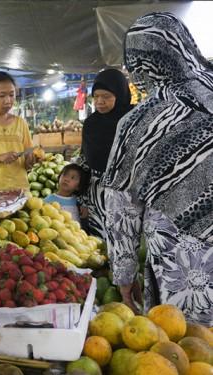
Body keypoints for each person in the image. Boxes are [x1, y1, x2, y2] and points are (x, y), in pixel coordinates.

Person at [103, 12, 213, 325]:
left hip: (183, 263)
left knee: (191, 351)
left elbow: (121, 208)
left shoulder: (139, 124)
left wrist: (124, 275)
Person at [79, 68, 133, 239]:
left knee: (126, 241)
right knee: (100, 243)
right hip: (98, 194)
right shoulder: (90, 124)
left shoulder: (134, 120)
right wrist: (83, 200)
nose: (100, 102)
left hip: (129, 193)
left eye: (106, 96)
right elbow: (84, 161)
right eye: (96, 97)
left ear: (120, 95)